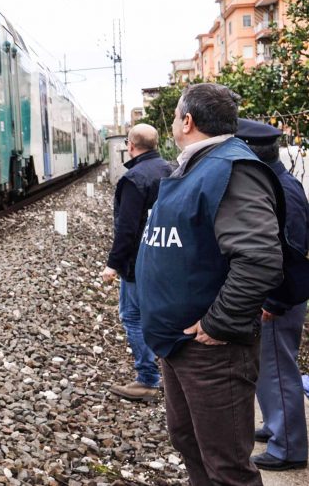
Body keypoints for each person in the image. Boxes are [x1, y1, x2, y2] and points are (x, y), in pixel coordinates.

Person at [136, 83, 284, 486]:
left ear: (187, 120)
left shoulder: (231, 169)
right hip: (178, 343)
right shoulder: (199, 165)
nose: (171, 124)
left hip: (211, 351)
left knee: (227, 466)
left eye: (173, 117)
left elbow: (259, 259)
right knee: (190, 443)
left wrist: (219, 323)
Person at [236, 118, 308, 472]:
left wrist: (274, 301)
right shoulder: (274, 182)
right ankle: (277, 427)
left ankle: (289, 448)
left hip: (280, 300)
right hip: (276, 298)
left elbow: (293, 249)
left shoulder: (283, 188)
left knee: (279, 371)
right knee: (270, 369)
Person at [102, 123, 172, 401]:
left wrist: (112, 264)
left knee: (132, 316)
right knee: (162, 314)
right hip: (167, 255)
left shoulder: (133, 179)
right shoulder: (171, 170)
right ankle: (171, 375)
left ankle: (148, 379)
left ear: (130, 145)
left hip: (138, 262)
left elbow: (127, 229)